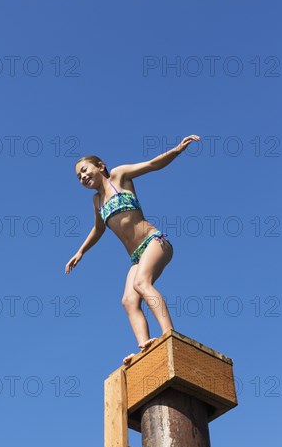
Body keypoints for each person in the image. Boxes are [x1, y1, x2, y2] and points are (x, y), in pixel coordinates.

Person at [65, 135, 200, 364]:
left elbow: (151, 165)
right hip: (136, 257)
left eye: (85, 170)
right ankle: (145, 347)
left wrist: (176, 150)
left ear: (101, 166)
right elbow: (98, 230)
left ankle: (169, 334)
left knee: (141, 283)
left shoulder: (119, 176)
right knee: (128, 300)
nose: (83, 177)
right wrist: (80, 252)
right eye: (79, 177)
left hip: (154, 242)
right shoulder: (97, 202)